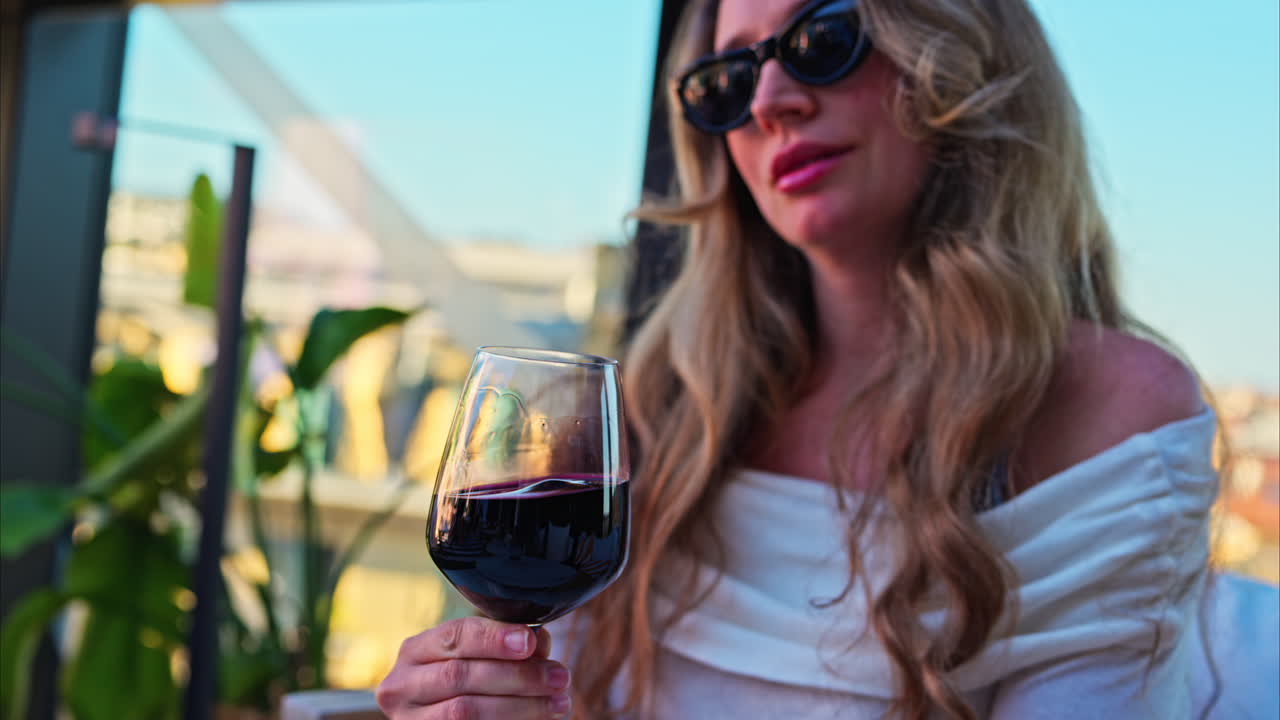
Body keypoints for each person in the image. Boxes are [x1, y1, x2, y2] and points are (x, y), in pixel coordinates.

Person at [375, 0, 1234, 717]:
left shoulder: (1105, 411)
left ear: (952, 48)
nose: (771, 101)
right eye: (726, 83)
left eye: (821, 41)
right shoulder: (658, 403)